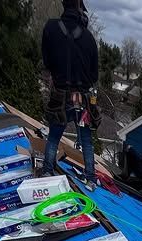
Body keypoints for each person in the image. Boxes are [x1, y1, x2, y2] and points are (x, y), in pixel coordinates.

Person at [41, 0, 99, 187]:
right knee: (86, 140)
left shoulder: (51, 28)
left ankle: (47, 170)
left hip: (61, 95)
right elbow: (94, 75)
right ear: (80, 9)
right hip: (82, 99)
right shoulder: (89, 38)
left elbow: (47, 61)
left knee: (54, 136)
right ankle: (90, 177)